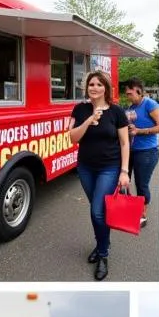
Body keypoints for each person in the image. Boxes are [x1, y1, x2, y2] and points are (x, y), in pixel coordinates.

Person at [67, 70, 131, 281]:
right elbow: (72, 139)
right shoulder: (80, 109)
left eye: (99, 84)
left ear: (106, 88)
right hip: (85, 167)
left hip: (109, 168)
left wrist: (124, 171)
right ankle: (102, 243)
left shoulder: (116, 112)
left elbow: (124, 142)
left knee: (97, 212)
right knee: (98, 211)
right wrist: (89, 120)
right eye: (91, 84)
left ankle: (103, 255)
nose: (94, 88)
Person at [122, 78, 159, 229]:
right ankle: (128, 208)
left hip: (147, 152)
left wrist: (140, 131)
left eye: (130, 93)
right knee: (124, 180)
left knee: (141, 184)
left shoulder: (150, 104)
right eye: (126, 94)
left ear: (138, 91)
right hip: (131, 150)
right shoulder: (131, 107)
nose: (128, 96)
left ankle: (142, 214)